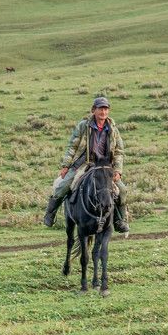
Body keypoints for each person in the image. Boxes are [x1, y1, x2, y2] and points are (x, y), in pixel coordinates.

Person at [43, 96, 129, 233]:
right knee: (63, 186)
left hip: (105, 166)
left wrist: (117, 170)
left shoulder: (113, 129)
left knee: (122, 190)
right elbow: (72, 146)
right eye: (100, 109)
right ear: (94, 110)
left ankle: (120, 220)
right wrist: (66, 165)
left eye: (105, 109)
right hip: (84, 163)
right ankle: (50, 214)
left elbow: (119, 151)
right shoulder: (83, 126)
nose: (103, 112)